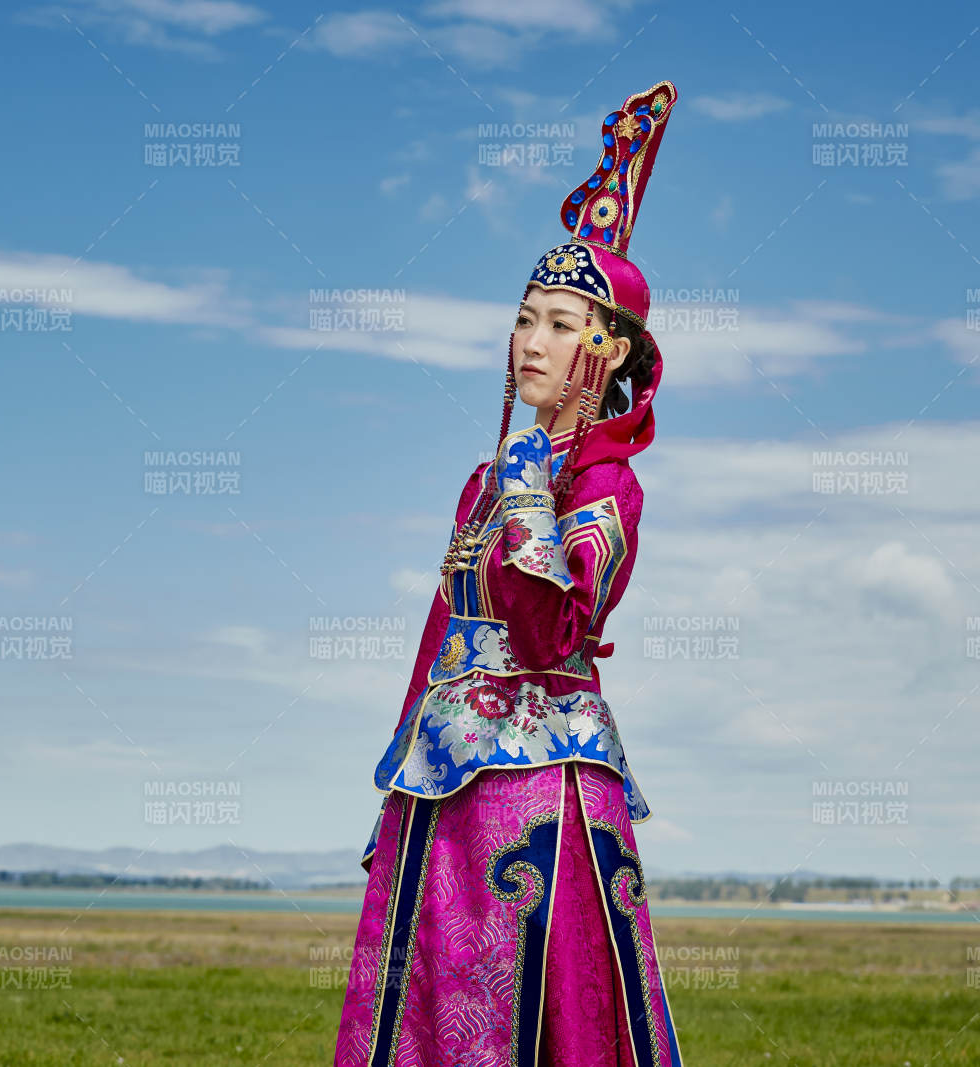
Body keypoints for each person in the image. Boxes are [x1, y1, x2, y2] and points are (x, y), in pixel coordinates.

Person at [334, 81, 685, 1067]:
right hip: (442, 785)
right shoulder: (481, 481)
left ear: (606, 347)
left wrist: (532, 491)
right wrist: (394, 779)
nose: (530, 340)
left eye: (561, 323)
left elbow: (544, 634)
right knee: (433, 1003)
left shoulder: (608, 488)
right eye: (525, 317)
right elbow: (442, 635)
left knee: (530, 1004)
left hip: (541, 791)